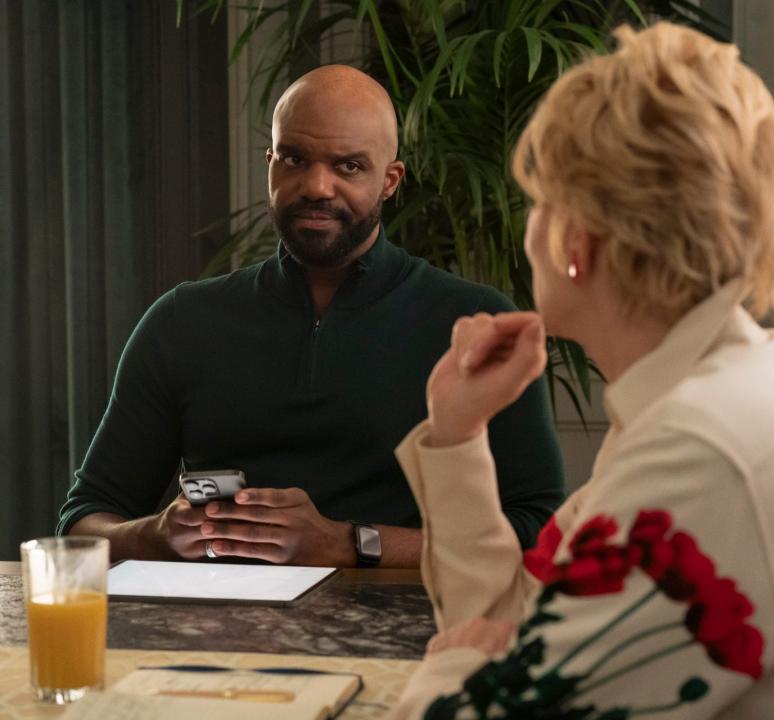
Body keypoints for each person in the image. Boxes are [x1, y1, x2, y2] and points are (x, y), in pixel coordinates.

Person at [387, 22, 774, 719]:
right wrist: (459, 431)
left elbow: (485, 683)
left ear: (576, 240)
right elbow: (537, 628)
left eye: (537, 201)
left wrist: (457, 661)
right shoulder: (717, 398)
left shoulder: (703, 449)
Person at [57, 65, 564, 568]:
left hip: (406, 635)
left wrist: (349, 544)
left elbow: (540, 533)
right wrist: (155, 536)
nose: (317, 186)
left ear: (390, 181)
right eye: (295, 159)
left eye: (348, 166)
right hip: (217, 635)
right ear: (270, 164)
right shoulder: (181, 322)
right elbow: (82, 521)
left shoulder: (477, 323)